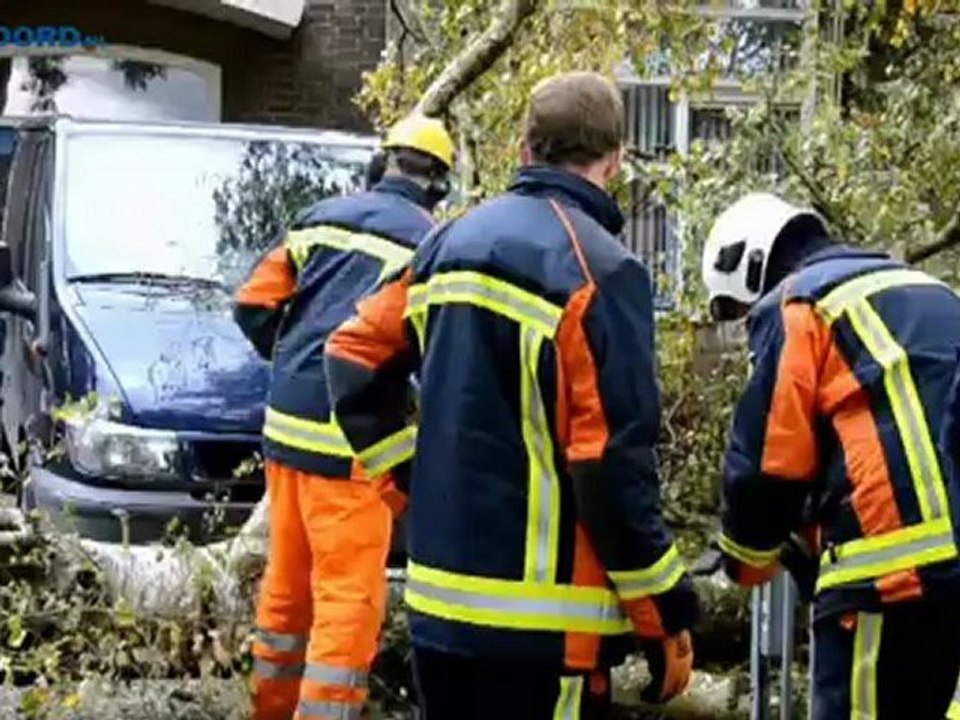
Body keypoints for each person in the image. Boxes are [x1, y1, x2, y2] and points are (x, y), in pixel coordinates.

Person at [323, 71, 699, 720]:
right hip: (546, 633)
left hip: (439, 613)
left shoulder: (444, 245)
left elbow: (351, 356)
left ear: (524, 149)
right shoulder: (602, 270)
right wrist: (664, 613)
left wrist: (410, 477)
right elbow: (610, 463)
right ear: (615, 160)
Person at [701, 192, 960, 719]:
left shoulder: (799, 303)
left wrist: (745, 556)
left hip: (885, 578)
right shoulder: (934, 293)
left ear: (750, 266)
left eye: (736, 309)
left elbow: (769, 462)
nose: (745, 321)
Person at [233, 113, 455, 720]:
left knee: (286, 588)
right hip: (354, 441)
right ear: (440, 184)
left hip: (285, 429)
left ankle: (271, 708)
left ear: (380, 164)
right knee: (347, 601)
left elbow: (252, 303)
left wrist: (291, 360)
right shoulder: (431, 244)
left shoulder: (317, 219)